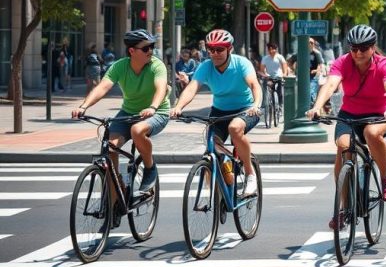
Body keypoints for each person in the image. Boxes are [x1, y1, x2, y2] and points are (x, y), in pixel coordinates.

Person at [306, 25, 386, 228]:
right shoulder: (342, 62)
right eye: (354, 48)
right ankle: (344, 208)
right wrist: (317, 107)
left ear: (373, 48)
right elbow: (330, 84)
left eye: (363, 48)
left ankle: (385, 178)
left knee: (371, 133)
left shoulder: (384, 64)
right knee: (343, 146)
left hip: (379, 114)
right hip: (349, 115)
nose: (358, 53)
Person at [72, 30, 169, 193]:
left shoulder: (156, 65)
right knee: (109, 148)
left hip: (158, 112)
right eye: (146, 48)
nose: (150, 51)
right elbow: (102, 87)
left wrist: (152, 107)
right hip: (128, 112)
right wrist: (83, 107)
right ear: (132, 51)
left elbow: (161, 88)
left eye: (152, 47)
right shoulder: (119, 66)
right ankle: (117, 193)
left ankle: (149, 168)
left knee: (137, 130)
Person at [170, 29, 262, 197]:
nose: (215, 54)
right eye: (211, 49)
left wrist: (256, 104)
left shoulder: (241, 63)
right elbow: (192, 87)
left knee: (234, 128)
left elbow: (254, 85)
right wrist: (178, 107)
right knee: (212, 149)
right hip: (219, 111)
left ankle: (250, 174)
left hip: (246, 109)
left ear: (230, 49)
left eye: (220, 49)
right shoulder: (206, 67)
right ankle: (220, 186)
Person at [307, 38, 324, 107]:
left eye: (312, 43)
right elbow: (291, 61)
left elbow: (320, 64)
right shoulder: (302, 52)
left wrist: (316, 71)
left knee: (311, 92)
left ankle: (312, 107)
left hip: (313, 76)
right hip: (303, 76)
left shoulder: (317, 53)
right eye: (308, 42)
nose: (310, 44)